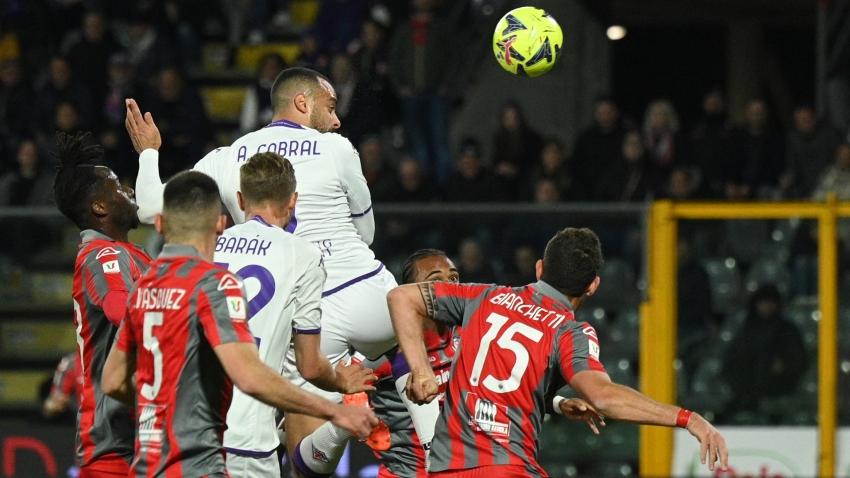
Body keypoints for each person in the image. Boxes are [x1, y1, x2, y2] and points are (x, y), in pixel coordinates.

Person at [126, 67, 402, 475]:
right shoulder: (338, 148)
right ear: (303, 104)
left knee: (304, 458)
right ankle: (421, 433)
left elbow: (149, 207)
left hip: (289, 329)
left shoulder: (226, 161)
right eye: (330, 107)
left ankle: (345, 406)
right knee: (416, 334)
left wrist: (150, 151)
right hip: (365, 294)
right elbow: (366, 233)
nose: (337, 120)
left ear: (238, 198)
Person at [101, 171, 377, 476]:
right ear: (220, 224)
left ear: (162, 224)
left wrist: (171, 407)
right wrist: (334, 411)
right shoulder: (218, 284)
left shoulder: (146, 284)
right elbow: (249, 377)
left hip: (150, 460)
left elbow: (113, 380)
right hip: (216, 456)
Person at [389, 227, 729, 476]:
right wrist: (688, 418)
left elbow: (400, 297)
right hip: (507, 466)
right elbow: (604, 397)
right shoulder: (569, 331)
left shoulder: (483, 297)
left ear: (539, 268)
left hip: (448, 470)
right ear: (593, 286)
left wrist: (421, 370)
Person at [370, 249, 601, 477]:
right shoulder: (385, 349)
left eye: (453, 277)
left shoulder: (473, 333)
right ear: (414, 290)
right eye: (435, 280)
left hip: (461, 466)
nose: (447, 284)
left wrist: (560, 403)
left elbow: (504, 388)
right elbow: (345, 393)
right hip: (408, 472)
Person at [215, 152, 376, 477]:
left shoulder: (211, 246)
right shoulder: (303, 255)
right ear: (293, 200)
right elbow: (310, 365)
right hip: (248, 439)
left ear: (241, 199)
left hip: (193, 432)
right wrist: (339, 380)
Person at [52, 131, 151, 477]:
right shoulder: (104, 254)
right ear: (99, 207)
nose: (130, 191)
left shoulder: (129, 253)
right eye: (118, 188)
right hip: (117, 445)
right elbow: (120, 311)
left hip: (135, 438)